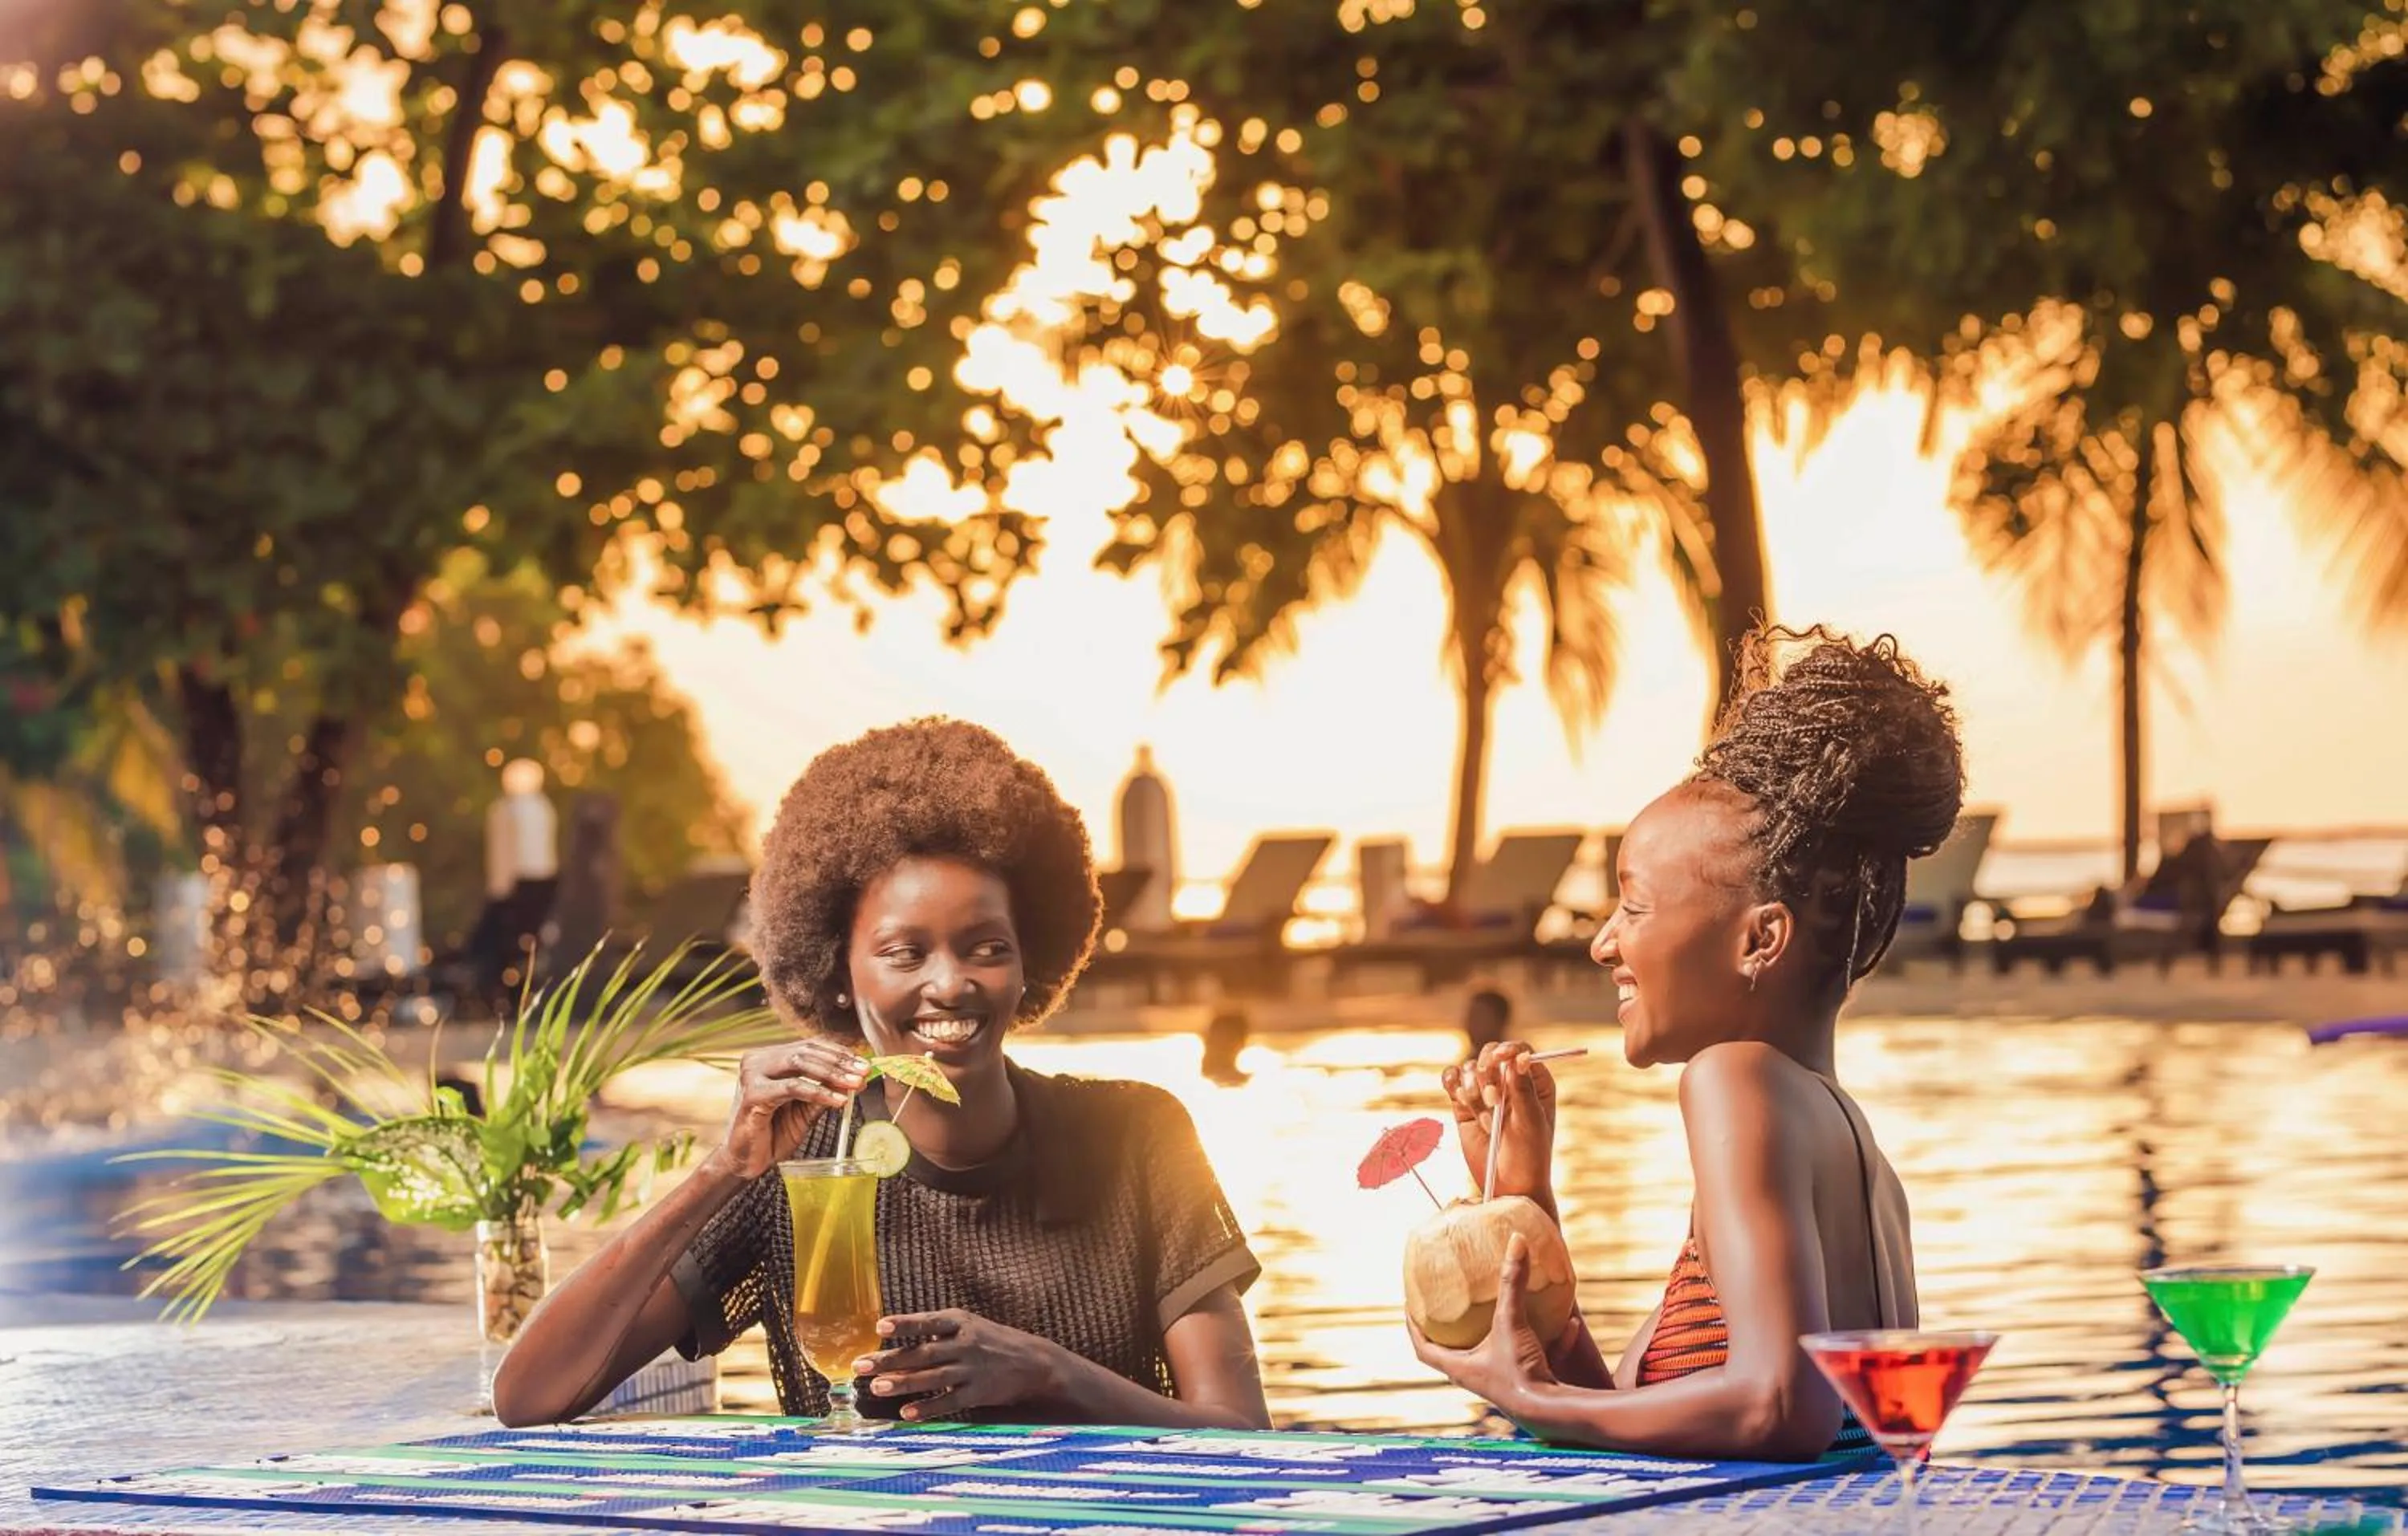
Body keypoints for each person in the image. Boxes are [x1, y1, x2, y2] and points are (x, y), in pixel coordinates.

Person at [494, 719, 1268, 1430]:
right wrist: (725, 1168)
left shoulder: (1138, 1135)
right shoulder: (796, 1169)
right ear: (839, 974)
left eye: (987, 948)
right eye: (904, 953)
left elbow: (1244, 1435)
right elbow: (530, 1398)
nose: (950, 984)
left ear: (1029, 960)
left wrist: (1047, 1373)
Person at [1410, 627, 1963, 1461]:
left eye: (1633, 908)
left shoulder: (1734, 1081)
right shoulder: (1850, 1146)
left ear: (1759, 940)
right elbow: (1637, 1429)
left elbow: (1781, 1409)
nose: (1602, 943)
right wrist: (1527, 1199)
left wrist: (1527, 1400)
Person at [1462, 987, 1512, 1056]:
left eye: (1478, 1018)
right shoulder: (1468, 1061)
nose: (1470, 1026)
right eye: (1470, 1018)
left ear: (1499, 1022)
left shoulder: (1511, 1060)